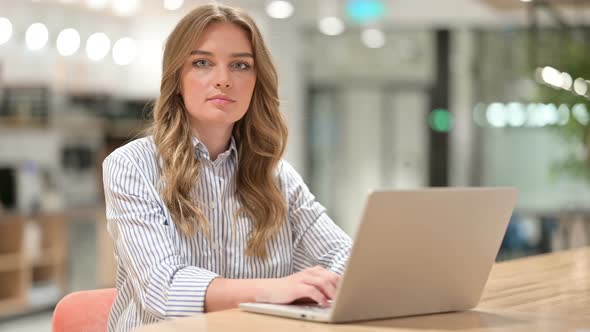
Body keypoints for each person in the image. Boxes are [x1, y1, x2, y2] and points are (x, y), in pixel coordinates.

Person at [102, 3, 351, 331]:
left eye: (240, 65)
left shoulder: (277, 177)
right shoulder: (131, 166)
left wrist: (326, 283)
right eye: (202, 63)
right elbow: (163, 289)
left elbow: (345, 257)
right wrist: (274, 290)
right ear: (177, 78)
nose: (223, 80)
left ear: (255, 81)